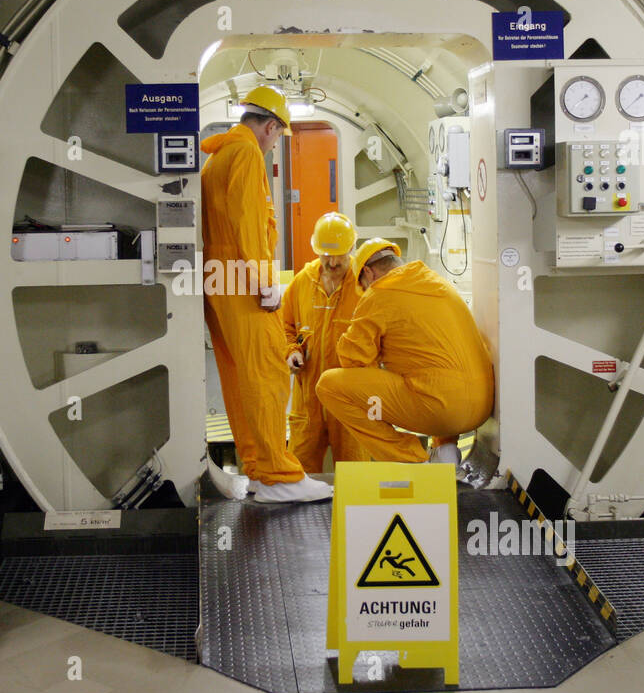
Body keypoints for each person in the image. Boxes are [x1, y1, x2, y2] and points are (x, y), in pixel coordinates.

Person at [200, 86, 332, 504]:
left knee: (242, 381)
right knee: (268, 376)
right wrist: (265, 283)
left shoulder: (218, 156)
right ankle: (278, 477)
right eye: (277, 136)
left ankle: (258, 470)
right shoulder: (245, 153)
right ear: (270, 126)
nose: (275, 143)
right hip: (242, 283)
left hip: (219, 283)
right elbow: (249, 222)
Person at [315, 239, 494, 466]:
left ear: (369, 273)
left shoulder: (379, 293)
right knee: (430, 371)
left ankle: (414, 459)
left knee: (329, 385)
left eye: (364, 285)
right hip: (482, 408)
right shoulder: (438, 283)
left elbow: (353, 360)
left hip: (441, 409)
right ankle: (445, 450)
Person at [280, 211, 365, 472]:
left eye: (338, 254)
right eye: (325, 254)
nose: (331, 261)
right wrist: (291, 351)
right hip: (308, 404)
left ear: (351, 248)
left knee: (355, 478)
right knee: (299, 477)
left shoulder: (364, 287)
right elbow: (284, 327)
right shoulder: (301, 284)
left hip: (350, 403)